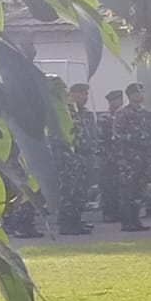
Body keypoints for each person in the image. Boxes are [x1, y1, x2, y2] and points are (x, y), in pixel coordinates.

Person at [112, 83, 151, 232]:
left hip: (143, 157)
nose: (140, 95)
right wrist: (121, 159)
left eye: (141, 92)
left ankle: (136, 220)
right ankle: (127, 221)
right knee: (127, 191)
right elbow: (117, 137)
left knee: (139, 191)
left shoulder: (144, 113)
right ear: (130, 95)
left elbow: (150, 135)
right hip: (129, 156)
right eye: (137, 92)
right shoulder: (122, 113)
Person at [61, 83, 97, 235]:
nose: (85, 97)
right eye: (82, 94)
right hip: (69, 157)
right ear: (72, 94)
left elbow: (94, 134)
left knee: (81, 192)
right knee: (69, 191)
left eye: (86, 94)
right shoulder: (65, 112)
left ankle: (76, 221)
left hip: (85, 156)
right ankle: (66, 224)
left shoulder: (87, 114)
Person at [97, 89, 125, 223]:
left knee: (121, 186)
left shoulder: (125, 116)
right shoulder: (105, 118)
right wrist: (109, 156)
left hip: (123, 158)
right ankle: (108, 212)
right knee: (108, 187)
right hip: (108, 159)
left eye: (119, 100)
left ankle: (120, 211)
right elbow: (102, 140)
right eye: (114, 100)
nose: (117, 103)